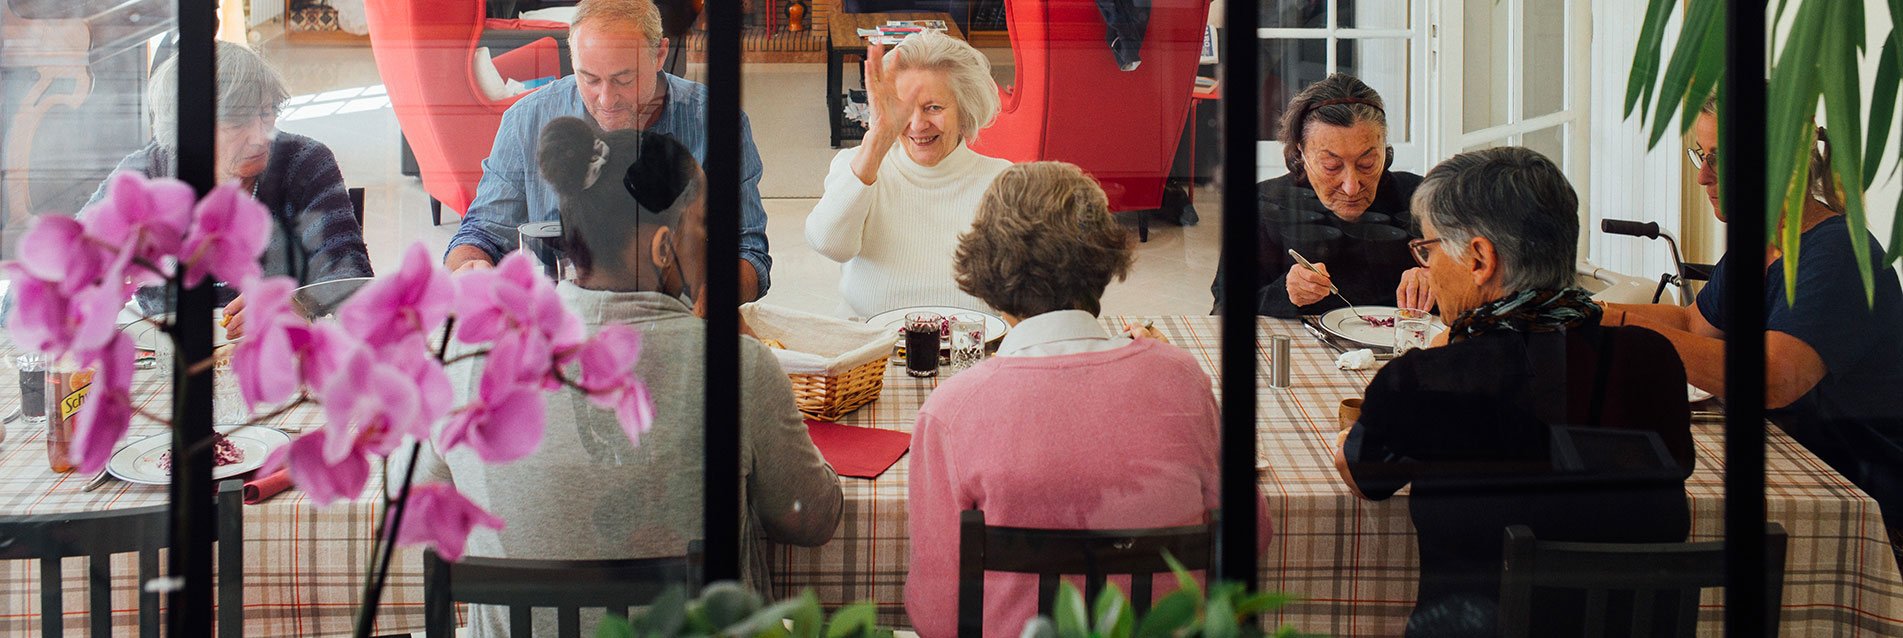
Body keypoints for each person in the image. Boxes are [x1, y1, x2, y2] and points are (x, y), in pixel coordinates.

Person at [419, 118, 841, 638]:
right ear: (664, 249)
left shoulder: (465, 364)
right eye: (704, 225)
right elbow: (811, 519)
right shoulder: (737, 369)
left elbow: (424, 502)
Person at [1335, 147, 1695, 637]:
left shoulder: (1428, 379)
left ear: (1480, 258)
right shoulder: (1652, 360)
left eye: (1429, 249)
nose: (1427, 265)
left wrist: (1359, 427)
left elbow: (1362, 477)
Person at [905, 162, 1271, 638]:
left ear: (987, 273)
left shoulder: (951, 411)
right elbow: (1252, 533)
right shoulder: (1182, 380)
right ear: (1104, 264)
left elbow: (937, 615)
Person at [1601, 98, 1903, 560]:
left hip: (1870, 508)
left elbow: (1773, 378)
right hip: (1802, 480)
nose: (1704, 177)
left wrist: (1619, 323)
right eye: (1702, 156)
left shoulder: (1838, 254)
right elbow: (1694, 323)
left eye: (1719, 158)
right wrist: (1590, 311)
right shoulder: (1760, 242)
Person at [444, 0, 772, 307]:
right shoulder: (527, 121)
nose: (606, 100)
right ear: (573, 61)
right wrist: (472, 266)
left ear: (660, 55)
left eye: (624, 78)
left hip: (678, 325)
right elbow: (481, 234)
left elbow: (749, 251)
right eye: (590, 79)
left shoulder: (717, 122)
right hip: (561, 335)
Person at [89, 40, 373, 337]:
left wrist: (298, 302)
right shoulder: (145, 176)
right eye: (238, 122)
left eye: (267, 113)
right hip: (169, 356)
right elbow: (74, 268)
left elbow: (352, 276)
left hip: (272, 349)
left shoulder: (304, 163)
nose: (260, 137)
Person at [804, 29, 1011, 318]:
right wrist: (877, 141)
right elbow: (828, 243)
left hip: (970, 352)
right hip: (870, 351)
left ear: (965, 111)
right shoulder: (858, 167)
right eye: (902, 109)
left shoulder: (1003, 183)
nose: (917, 124)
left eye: (933, 108)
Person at [1211, 74, 1431, 317]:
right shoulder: (1261, 205)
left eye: (1367, 163)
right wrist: (1284, 293)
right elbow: (1222, 311)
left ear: (1385, 151)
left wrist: (1440, 279)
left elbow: (1474, 296)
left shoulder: (1419, 199)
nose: (1351, 187)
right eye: (1331, 166)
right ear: (1300, 154)